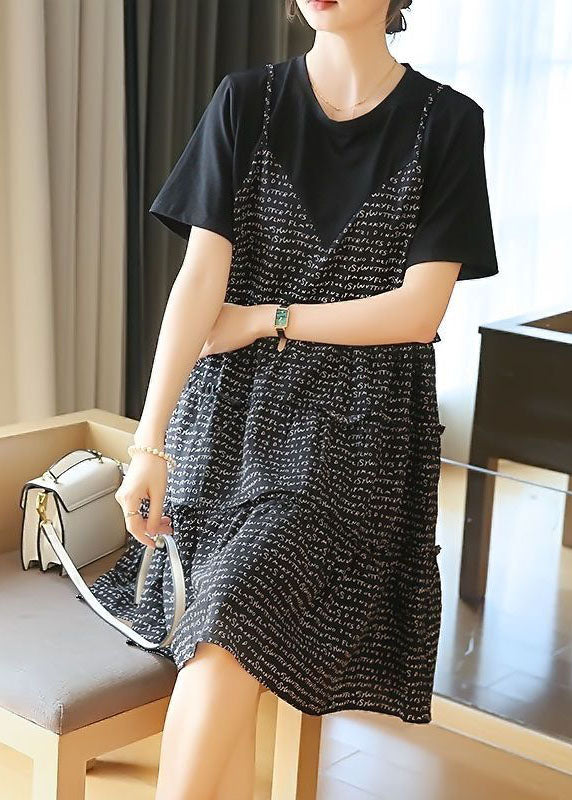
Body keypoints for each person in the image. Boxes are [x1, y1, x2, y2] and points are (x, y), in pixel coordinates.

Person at [82, 1, 498, 798]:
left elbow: (418, 312)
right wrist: (149, 444)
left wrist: (266, 318)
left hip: (355, 435)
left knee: (228, 613)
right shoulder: (246, 101)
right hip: (227, 423)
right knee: (221, 640)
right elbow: (198, 283)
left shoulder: (447, 122)